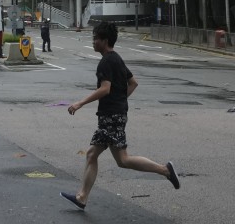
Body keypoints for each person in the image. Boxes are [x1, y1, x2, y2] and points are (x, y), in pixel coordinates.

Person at [61, 22, 179, 211]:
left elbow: (105, 88)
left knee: (109, 157)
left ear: (105, 41)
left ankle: (165, 170)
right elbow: (133, 83)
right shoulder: (117, 59)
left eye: (96, 39)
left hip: (111, 117)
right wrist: (120, 101)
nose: (93, 42)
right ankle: (82, 197)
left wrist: (80, 103)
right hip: (115, 115)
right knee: (107, 157)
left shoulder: (106, 62)